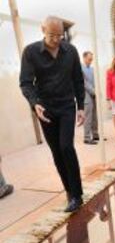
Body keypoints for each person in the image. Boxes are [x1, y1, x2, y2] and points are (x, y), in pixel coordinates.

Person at [19, 16, 85, 213]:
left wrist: (80, 106)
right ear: (42, 30)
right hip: (45, 109)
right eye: (52, 35)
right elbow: (25, 82)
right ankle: (69, 192)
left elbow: (78, 80)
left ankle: (77, 194)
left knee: (66, 147)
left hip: (66, 106)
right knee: (56, 152)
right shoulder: (31, 52)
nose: (57, 39)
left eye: (60, 35)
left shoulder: (70, 51)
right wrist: (35, 103)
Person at [82, 51, 99, 145]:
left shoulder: (92, 69)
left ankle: (95, 134)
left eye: (91, 59)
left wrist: (97, 92)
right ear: (84, 58)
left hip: (93, 94)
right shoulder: (80, 68)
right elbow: (84, 83)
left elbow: (94, 81)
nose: (90, 61)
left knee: (94, 116)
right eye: (89, 59)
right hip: (86, 95)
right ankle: (87, 137)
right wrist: (94, 92)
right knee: (88, 117)